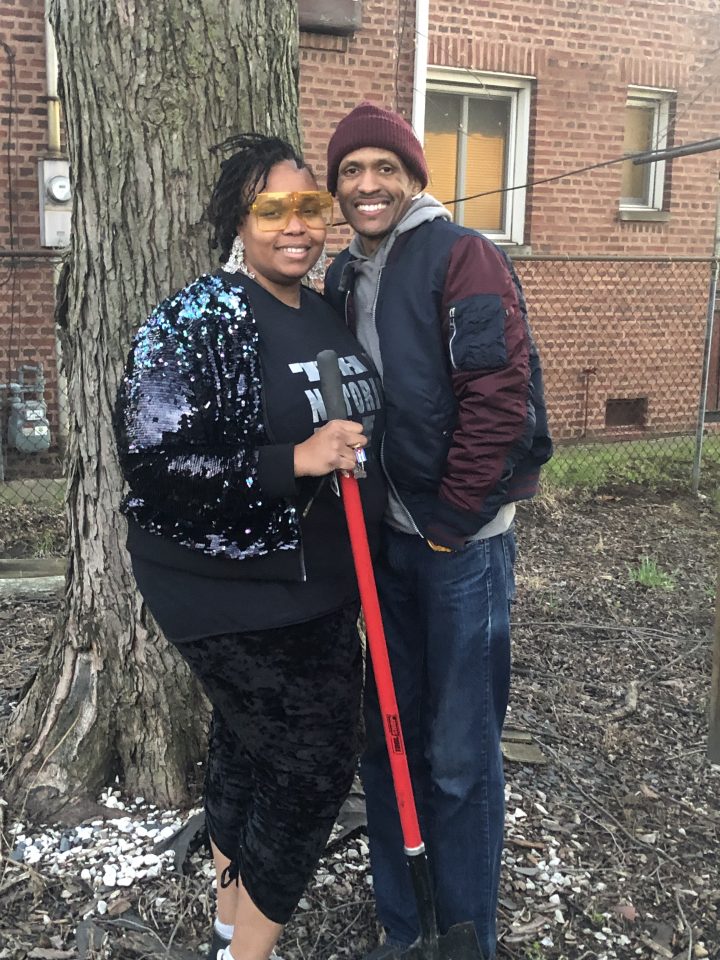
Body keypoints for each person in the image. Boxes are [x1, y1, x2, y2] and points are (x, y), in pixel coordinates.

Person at [113, 133, 385, 960]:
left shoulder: (324, 306)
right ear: (241, 219)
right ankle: (248, 955)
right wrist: (295, 459)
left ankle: (230, 919)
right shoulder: (202, 316)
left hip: (318, 583)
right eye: (274, 210)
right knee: (312, 768)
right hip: (229, 585)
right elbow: (151, 460)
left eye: (311, 207)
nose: (297, 225)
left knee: (247, 743)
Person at [323, 102, 552, 960]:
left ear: (415, 179)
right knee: (389, 741)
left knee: (458, 757)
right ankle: (404, 926)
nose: (368, 184)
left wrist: (453, 523)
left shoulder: (466, 258)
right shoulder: (348, 275)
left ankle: (465, 937)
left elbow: (499, 400)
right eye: (352, 171)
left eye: (385, 167)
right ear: (340, 188)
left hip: (460, 547)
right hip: (382, 543)